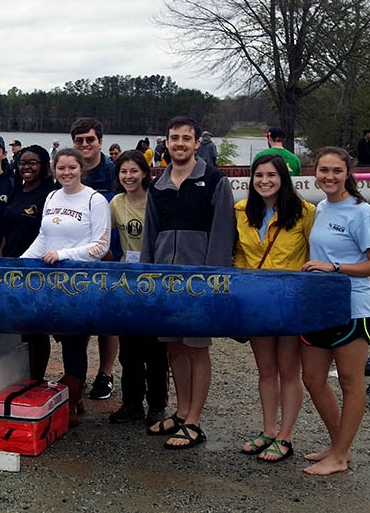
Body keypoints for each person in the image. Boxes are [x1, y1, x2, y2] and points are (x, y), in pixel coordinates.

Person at [141, 116, 235, 449]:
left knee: (197, 350)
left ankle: (195, 421)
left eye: (186, 138)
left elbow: (224, 233)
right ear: (165, 143)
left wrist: (214, 282)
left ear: (198, 143)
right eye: (173, 138)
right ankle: (180, 412)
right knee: (175, 349)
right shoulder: (158, 185)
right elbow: (150, 236)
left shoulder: (214, 181)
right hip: (166, 282)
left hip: (199, 283)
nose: (179, 143)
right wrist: (148, 278)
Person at [299, 146, 370, 475]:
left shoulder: (362, 213)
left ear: (348, 173)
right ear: (315, 173)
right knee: (313, 379)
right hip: (319, 305)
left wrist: (334, 266)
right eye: (324, 170)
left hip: (353, 307)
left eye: (337, 171)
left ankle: (339, 455)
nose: (330, 176)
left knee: (350, 383)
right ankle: (339, 447)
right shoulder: (320, 208)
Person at [234, 153, 315, 462]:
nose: (264, 181)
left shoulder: (305, 212)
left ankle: (285, 435)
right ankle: (268, 430)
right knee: (266, 370)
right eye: (259, 175)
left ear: (283, 179)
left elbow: (312, 253)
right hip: (257, 302)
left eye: (271, 175)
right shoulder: (241, 210)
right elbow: (239, 253)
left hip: (290, 302)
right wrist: (243, 286)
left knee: (288, 370)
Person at [21, 147, 111, 425]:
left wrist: (64, 255)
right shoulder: (51, 196)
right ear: (54, 170)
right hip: (48, 280)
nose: (66, 173)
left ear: (81, 169)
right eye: (61, 168)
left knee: (73, 342)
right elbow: (43, 237)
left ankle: (73, 401)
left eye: (72, 168)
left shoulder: (95, 200)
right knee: (36, 334)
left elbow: (101, 245)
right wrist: (21, 262)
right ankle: (35, 389)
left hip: (78, 282)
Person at [107, 150, 169, 427]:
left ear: (145, 173)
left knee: (155, 349)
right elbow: (102, 237)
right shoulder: (116, 203)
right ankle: (131, 403)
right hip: (127, 281)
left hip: (154, 281)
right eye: (123, 172)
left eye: (134, 171)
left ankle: (157, 405)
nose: (128, 177)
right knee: (129, 349)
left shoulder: (156, 201)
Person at [70, 117, 118, 401]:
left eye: (90, 139)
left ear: (100, 140)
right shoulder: (70, 170)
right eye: (79, 140)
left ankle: (106, 373)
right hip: (78, 255)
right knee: (80, 318)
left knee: (107, 320)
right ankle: (78, 374)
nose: (85, 145)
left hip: (109, 255)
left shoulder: (114, 172)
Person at [0, 145, 55, 381]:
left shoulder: (51, 194)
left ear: (43, 166)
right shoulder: (16, 191)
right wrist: (0, 256)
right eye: (23, 162)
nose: (27, 167)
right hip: (11, 264)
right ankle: (16, 377)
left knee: (35, 329)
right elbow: (7, 229)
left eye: (33, 163)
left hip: (36, 269)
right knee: (13, 325)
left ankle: (36, 379)